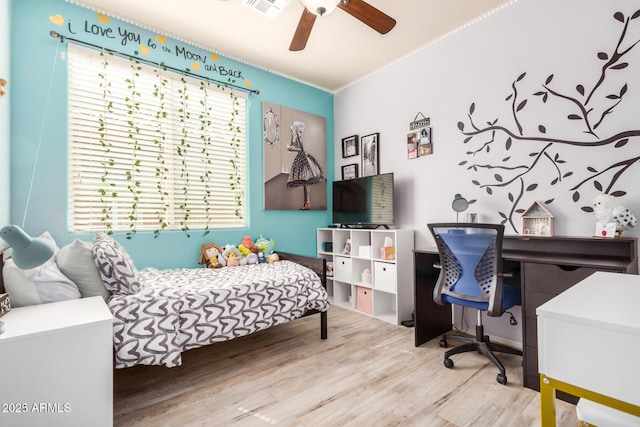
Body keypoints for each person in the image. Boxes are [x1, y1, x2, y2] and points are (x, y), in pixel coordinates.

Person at [287, 122, 325, 209]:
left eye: (296, 129)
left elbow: (301, 149)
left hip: (303, 157)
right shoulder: (297, 136)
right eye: (296, 129)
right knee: (305, 181)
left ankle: (306, 202)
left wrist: (292, 149)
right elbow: (292, 144)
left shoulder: (299, 137)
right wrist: (291, 134)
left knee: (306, 180)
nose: (296, 131)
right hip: (300, 157)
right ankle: (306, 202)